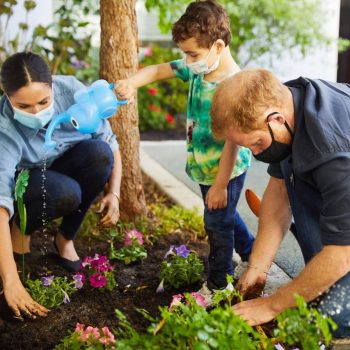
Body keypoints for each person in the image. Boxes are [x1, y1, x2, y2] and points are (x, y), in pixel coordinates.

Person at [116, 0, 254, 293]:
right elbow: (155, 71)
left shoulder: (233, 85)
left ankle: (220, 285)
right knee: (223, 214)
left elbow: (232, 142)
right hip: (205, 166)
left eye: (192, 53)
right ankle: (252, 253)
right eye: (185, 54)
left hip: (225, 169)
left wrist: (219, 185)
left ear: (218, 46)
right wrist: (130, 82)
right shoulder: (198, 68)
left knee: (216, 223)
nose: (187, 60)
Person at [210, 68, 350, 337]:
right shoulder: (286, 104)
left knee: (331, 317)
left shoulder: (333, 150)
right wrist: (258, 267)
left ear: (276, 119)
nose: (255, 153)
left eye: (256, 144)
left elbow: (343, 253)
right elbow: (279, 191)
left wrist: (271, 306)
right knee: (312, 292)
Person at [0, 52, 122, 319]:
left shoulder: (73, 93)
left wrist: (114, 193)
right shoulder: (4, 127)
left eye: (43, 102)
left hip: (64, 165)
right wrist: (10, 282)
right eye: (24, 106)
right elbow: (0, 202)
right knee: (65, 193)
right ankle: (21, 231)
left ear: (53, 86)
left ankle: (65, 238)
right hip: (28, 184)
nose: (36, 112)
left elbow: (110, 144)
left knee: (99, 153)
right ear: (7, 96)